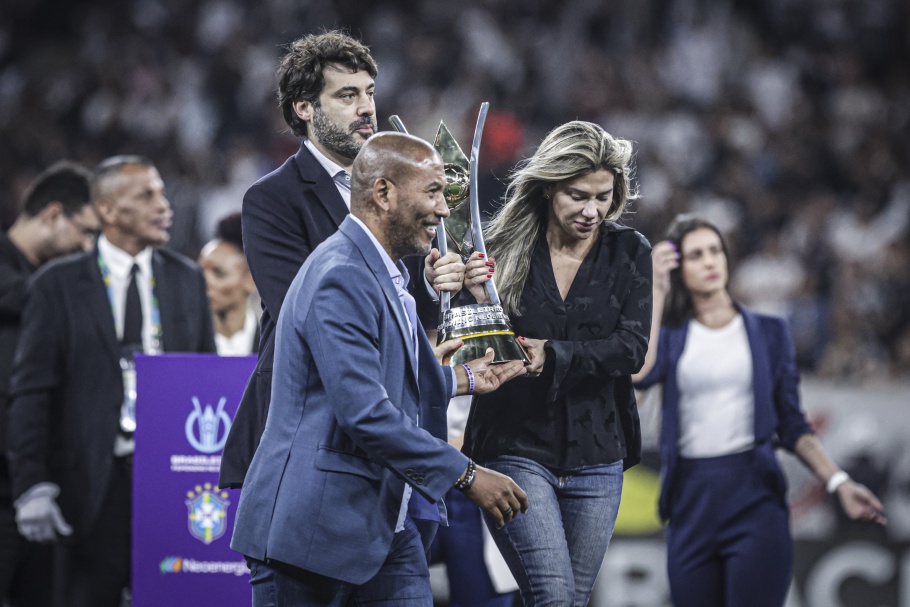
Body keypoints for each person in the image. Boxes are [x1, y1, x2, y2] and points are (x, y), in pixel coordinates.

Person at [231, 132, 528, 606]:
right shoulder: (341, 275)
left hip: (384, 524)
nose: (445, 209)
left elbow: (382, 381)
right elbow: (364, 412)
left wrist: (462, 379)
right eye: (432, 191)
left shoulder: (385, 271)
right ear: (384, 193)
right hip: (311, 530)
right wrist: (467, 475)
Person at [219, 30, 466, 490]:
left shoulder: (398, 187)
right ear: (304, 108)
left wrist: (432, 285)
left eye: (369, 92)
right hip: (308, 429)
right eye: (347, 95)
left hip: (392, 425)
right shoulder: (272, 200)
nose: (366, 108)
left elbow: (414, 312)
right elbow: (307, 310)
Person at [632, 215, 887, 607]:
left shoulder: (768, 331)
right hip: (690, 499)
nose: (710, 262)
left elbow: (791, 423)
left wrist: (839, 482)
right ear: (679, 267)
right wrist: (658, 290)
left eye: (715, 251)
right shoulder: (670, 337)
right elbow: (638, 374)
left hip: (754, 496)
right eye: (696, 255)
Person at [7, 155, 216, 607]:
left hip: (169, 483)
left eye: (162, 193)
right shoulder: (55, 285)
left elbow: (205, 385)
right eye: (147, 196)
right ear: (106, 210)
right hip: (86, 491)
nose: (165, 206)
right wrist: (30, 486)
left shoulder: (188, 280)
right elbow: (30, 393)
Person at [461, 120, 652, 606]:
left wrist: (554, 354)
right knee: (552, 597)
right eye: (577, 196)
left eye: (603, 196)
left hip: (598, 454)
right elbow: (469, 345)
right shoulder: (499, 247)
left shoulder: (630, 250)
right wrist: (474, 294)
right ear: (548, 189)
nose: (592, 210)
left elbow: (631, 349)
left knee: (562, 599)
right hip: (514, 446)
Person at [0, 161, 98, 607]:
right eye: (84, 231)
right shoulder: (38, 288)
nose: (87, 247)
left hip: (38, 490)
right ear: (53, 214)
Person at [199, 212, 259, 356]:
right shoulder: (183, 344)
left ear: (251, 281)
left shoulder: (275, 344)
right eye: (199, 272)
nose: (205, 282)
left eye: (219, 273)